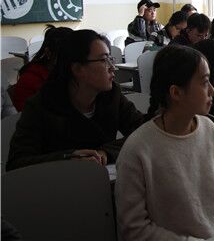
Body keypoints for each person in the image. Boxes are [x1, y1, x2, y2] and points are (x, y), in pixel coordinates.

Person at [115, 45, 214, 240]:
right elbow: (134, 229)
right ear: (176, 93)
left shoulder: (209, 130)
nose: (212, 90)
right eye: (204, 82)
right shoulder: (138, 149)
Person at [6, 30, 145, 171]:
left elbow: (143, 133)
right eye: (104, 60)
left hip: (102, 179)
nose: (112, 67)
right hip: (58, 182)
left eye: (110, 59)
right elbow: (17, 162)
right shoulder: (41, 105)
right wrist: (67, 158)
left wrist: (106, 153)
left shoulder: (112, 95)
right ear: (78, 69)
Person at [11, 25, 73, 111]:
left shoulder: (72, 73)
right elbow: (27, 114)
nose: (71, 60)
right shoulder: (30, 80)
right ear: (48, 53)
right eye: (64, 56)